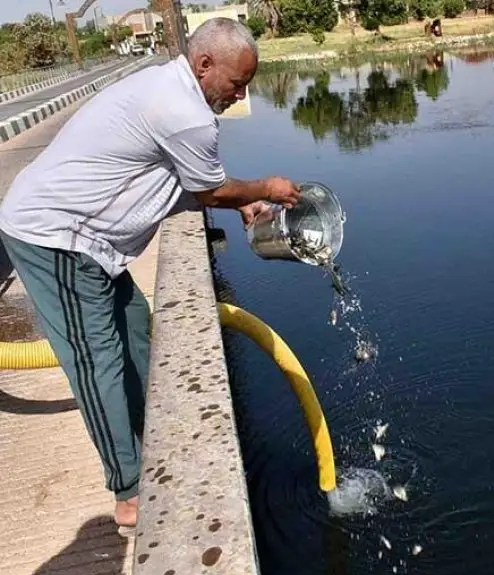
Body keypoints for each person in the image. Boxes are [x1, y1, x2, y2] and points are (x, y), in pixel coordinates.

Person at [0, 17, 299, 533]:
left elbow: (176, 178)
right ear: (205, 65)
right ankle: (129, 489)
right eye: (236, 83)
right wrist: (263, 190)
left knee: (137, 329)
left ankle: (154, 432)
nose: (239, 94)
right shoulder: (185, 112)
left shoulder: (173, 91)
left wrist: (239, 205)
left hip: (95, 243)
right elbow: (208, 190)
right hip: (56, 238)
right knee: (97, 362)